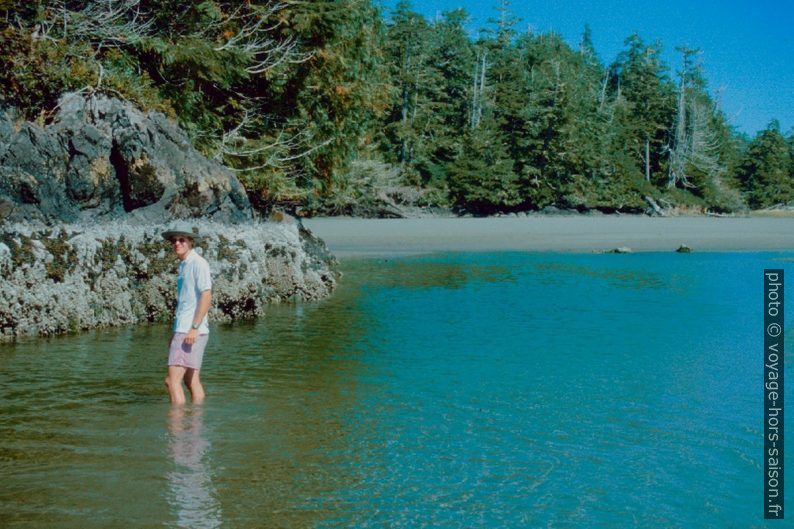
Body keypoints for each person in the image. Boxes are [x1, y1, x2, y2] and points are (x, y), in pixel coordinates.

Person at [162, 224, 212, 405]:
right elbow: (187, 302)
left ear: (191, 242)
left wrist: (193, 328)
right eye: (174, 240)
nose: (177, 243)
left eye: (182, 240)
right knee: (191, 380)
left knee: (171, 381)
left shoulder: (197, 263)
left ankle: (177, 430)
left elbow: (207, 295)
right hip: (187, 330)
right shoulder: (185, 264)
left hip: (190, 330)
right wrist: (176, 332)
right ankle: (196, 425)